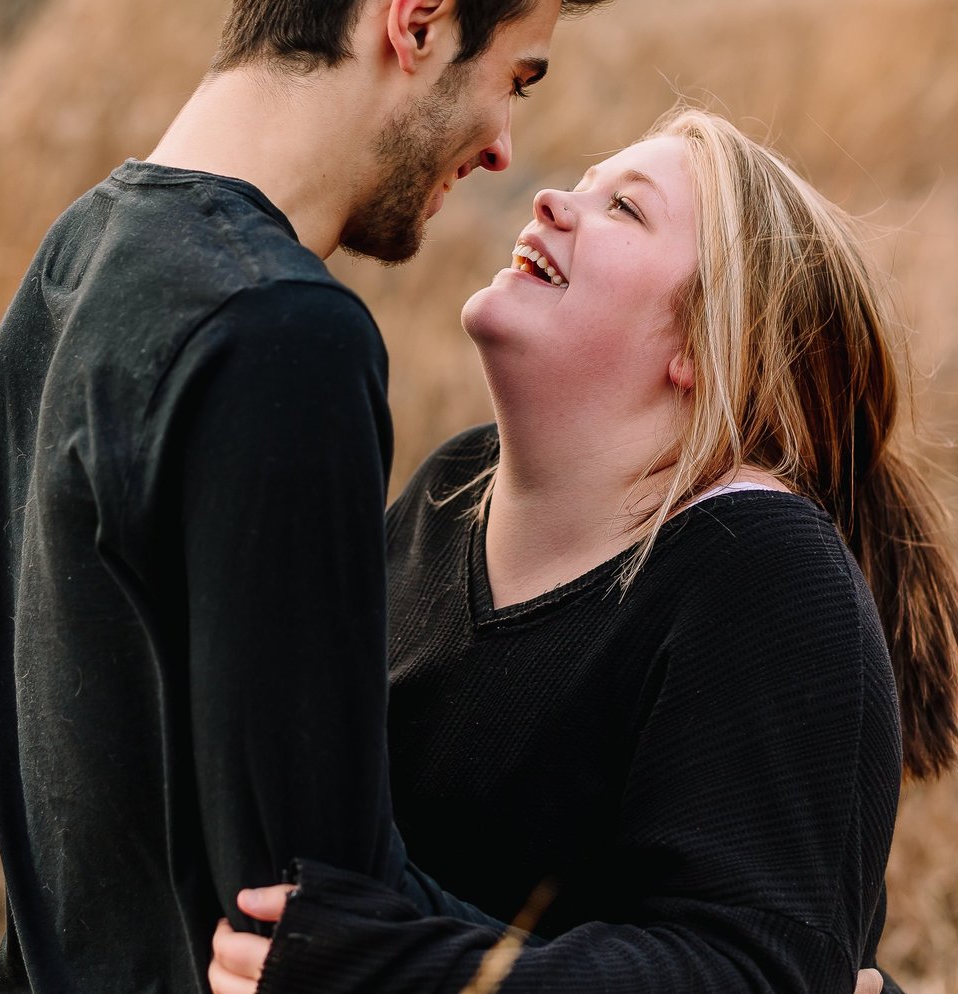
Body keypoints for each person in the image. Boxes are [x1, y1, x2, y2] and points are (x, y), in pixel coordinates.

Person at [0, 0, 622, 992]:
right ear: (417, 19)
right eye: (515, 77)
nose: (504, 149)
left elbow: (110, 775)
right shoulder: (281, 335)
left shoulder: (69, 262)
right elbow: (308, 905)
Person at [197, 109, 958, 993]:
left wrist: (402, 977)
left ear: (707, 349)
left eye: (625, 209)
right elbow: (293, 730)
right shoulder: (450, 489)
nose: (554, 199)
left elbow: (750, 972)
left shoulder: (767, 581)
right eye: (586, 186)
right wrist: (71, 708)